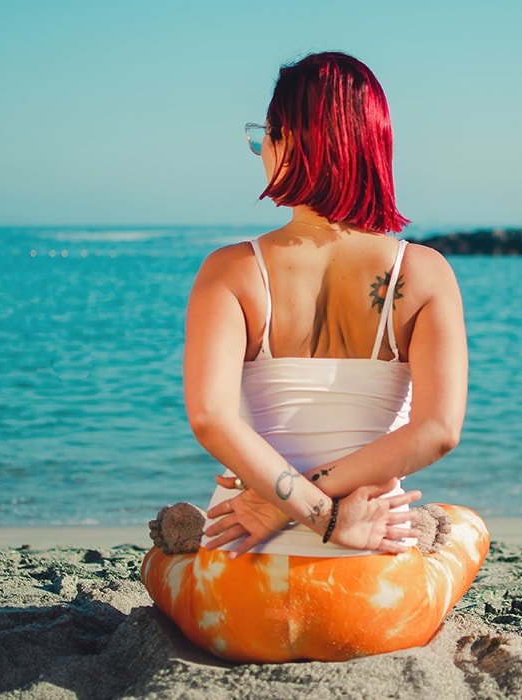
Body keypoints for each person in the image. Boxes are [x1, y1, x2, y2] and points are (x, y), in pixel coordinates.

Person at [141, 51, 489, 663]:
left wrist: (292, 509)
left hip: (237, 601)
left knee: (157, 563)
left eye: (265, 136)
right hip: (375, 603)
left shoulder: (230, 271)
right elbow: (438, 430)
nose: (262, 151)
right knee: (467, 527)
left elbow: (211, 420)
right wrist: (334, 520)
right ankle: (424, 529)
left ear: (294, 141)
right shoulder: (425, 274)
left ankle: (190, 539)